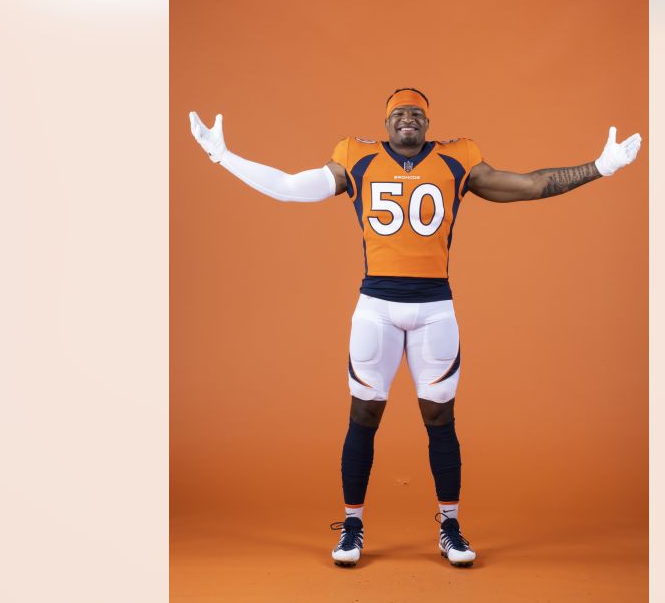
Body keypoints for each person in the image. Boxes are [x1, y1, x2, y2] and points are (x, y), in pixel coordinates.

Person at [189, 88, 641, 568]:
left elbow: (528, 185)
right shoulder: (356, 157)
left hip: (435, 309)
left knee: (440, 419)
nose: (408, 117)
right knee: (363, 415)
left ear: (429, 123)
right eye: (399, 111)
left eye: (417, 112)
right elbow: (288, 185)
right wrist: (223, 156)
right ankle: (352, 525)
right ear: (385, 122)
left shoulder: (457, 159)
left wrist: (599, 167)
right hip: (375, 308)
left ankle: (450, 525)